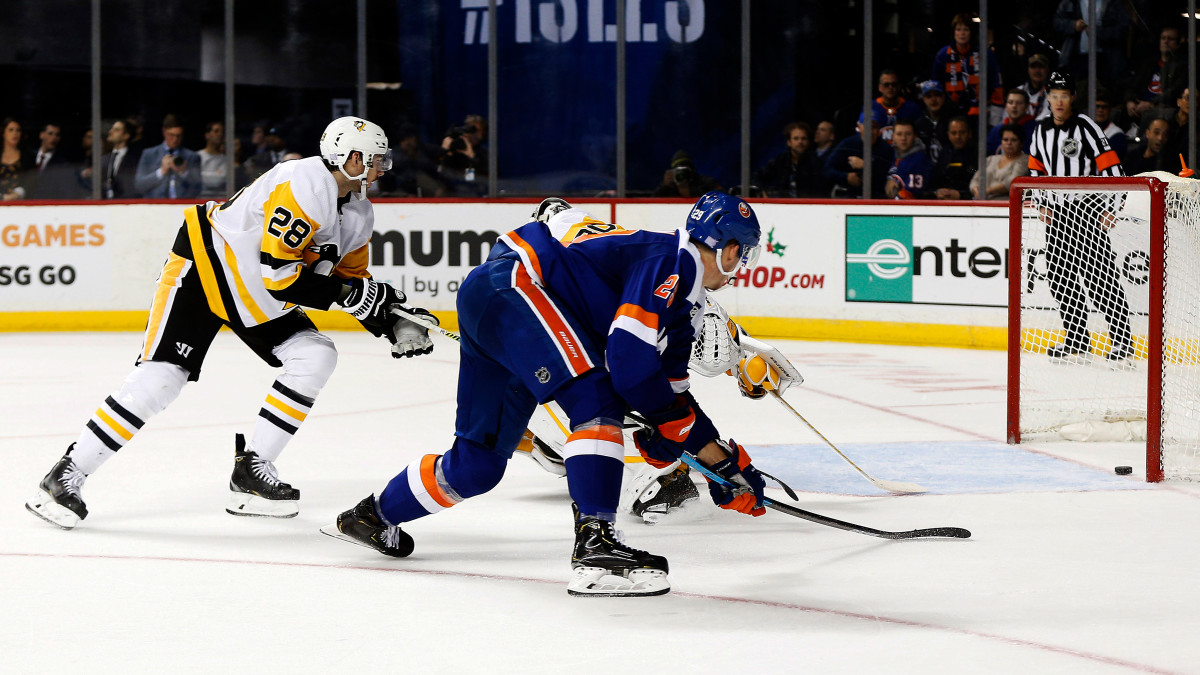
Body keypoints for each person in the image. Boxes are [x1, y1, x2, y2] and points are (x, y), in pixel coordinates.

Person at [323, 193, 771, 597]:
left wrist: (721, 462)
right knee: (596, 403)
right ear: (730, 249)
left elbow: (670, 395)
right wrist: (685, 438)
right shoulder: (671, 261)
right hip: (517, 287)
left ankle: (372, 517)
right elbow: (630, 362)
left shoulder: (682, 297)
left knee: (476, 466)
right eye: (743, 256)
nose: (741, 268)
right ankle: (595, 545)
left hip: (498, 296)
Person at [25, 117, 437, 531]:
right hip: (206, 267)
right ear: (346, 158)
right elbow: (282, 278)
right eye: (373, 159)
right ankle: (65, 474)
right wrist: (351, 298)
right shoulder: (304, 183)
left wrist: (392, 323)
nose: (381, 168)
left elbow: (351, 283)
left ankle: (252, 472)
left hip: (253, 287)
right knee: (161, 378)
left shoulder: (360, 212)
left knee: (314, 355)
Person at [1027, 71, 1131, 361]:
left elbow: (1112, 167)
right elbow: (1035, 169)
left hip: (1086, 210)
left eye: (1064, 95)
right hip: (1057, 214)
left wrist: (1113, 207)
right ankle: (1076, 339)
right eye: (1054, 95)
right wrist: (1041, 204)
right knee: (1061, 278)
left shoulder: (1085, 126)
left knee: (1101, 278)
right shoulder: (1040, 129)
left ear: (1072, 97)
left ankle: (1122, 341)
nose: (1059, 101)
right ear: (1047, 96)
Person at [932, 13, 1004, 124]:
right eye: (958, 29)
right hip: (951, 113)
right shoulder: (943, 55)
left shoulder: (985, 54)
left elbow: (996, 83)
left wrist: (996, 114)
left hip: (980, 112)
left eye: (966, 29)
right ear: (953, 32)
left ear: (971, 32)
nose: (962, 34)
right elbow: (936, 85)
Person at [823, 110, 894, 199]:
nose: (870, 131)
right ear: (859, 127)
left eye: (874, 127)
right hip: (848, 195)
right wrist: (846, 177)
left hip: (875, 197)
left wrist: (867, 165)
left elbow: (888, 176)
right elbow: (827, 169)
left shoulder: (886, 149)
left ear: (879, 129)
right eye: (867, 126)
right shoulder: (848, 144)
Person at [135, 114, 201, 199]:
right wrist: (161, 172)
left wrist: (184, 172)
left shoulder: (192, 157)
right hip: (154, 205)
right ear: (164, 132)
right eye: (171, 135)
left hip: (182, 205)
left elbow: (198, 188)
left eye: (178, 136)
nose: (175, 139)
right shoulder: (149, 154)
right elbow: (139, 186)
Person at [755, 121, 823, 197]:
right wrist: (762, 191)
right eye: (796, 138)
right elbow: (757, 176)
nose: (800, 142)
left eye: (804, 138)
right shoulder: (781, 159)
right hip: (782, 205)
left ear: (808, 142)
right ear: (789, 142)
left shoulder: (815, 162)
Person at [970, 124, 1030, 199]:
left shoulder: (1025, 160)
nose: (1009, 143)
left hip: (1007, 205)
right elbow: (975, 180)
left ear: (1021, 143)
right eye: (1005, 140)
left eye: (1013, 140)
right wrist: (975, 190)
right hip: (982, 203)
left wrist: (987, 191)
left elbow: (1012, 183)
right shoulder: (990, 159)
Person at [868, 70, 922, 146]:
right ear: (879, 87)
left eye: (894, 84)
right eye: (886, 85)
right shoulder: (870, 107)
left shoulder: (912, 108)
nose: (890, 87)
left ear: (899, 86)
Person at [885, 119, 933, 200]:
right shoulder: (892, 154)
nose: (903, 138)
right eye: (899, 134)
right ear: (893, 137)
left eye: (908, 134)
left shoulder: (920, 160)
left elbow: (911, 195)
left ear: (915, 136)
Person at [29, 122, 77, 199]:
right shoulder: (28, 157)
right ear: (42, 135)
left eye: (57, 135)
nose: (54, 138)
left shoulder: (62, 164)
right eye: (50, 133)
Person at [932, 117, 977, 200]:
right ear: (948, 134)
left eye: (962, 132)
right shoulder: (944, 153)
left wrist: (961, 195)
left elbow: (978, 179)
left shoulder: (977, 154)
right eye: (954, 133)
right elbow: (936, 178)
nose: (958, 137)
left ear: (969, 133)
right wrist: (938, 191)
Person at [915, 80, 956, 165]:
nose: (933, 99)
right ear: (923, 99)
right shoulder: (919, 124)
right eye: (929, 96)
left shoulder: (954, 122)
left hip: (954, 166)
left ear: (943, 97)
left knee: (971, 170)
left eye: (937, 95)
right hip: (926, 171)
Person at [985, 89, 1037, 155]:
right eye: (1010, 102)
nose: (1014, 106)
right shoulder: (996, 131)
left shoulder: (1036, 130)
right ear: (1006, 106)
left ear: (1027, 107)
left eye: (1019, 103)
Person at [99, 118, 140, 199]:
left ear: (126, 136)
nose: (110, 132)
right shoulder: (103, 159)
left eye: (116, 130)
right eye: (111, 129)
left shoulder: (135, 160)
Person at [653, 150, 721, 197]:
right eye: (678, 170)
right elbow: (651, 205)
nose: (681, 174)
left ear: (691, 169)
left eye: (684, 170)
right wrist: (664, 186)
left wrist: (692, 192)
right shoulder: (670, 186)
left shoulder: (704, 181)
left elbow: (720, 194)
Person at [196, 121, 228, 198]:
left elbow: (219, 181)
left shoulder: (226, 160)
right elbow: (195, 179)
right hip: (199, 200)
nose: (220, 134)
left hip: (220, 201)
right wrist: (216, 174)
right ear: (207, 135)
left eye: (222, 132)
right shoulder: (197, 156)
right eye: (216, 131)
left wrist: (202, 174)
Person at [1017, 54, 1053, 120]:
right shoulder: (1019, 91)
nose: (1037, 70)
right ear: (1028, 70)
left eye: (1041, 67)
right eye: (1033, 67)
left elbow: (1046, 117)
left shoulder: (1054, 93)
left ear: (1047, 69)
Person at [0, 117, 27, 201]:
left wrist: (16, 195)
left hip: (21, 205)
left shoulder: (27, 157)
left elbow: (31, 183)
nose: (15, 133)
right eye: (11, 130)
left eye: (18, 130)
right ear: (3, 133)